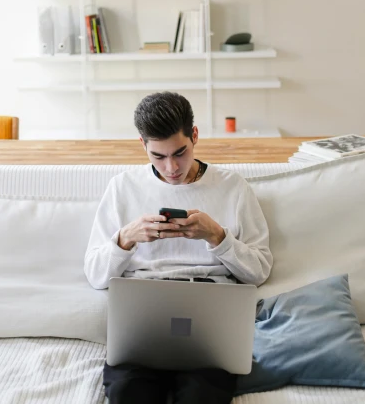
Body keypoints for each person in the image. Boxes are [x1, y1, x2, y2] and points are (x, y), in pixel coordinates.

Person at [84, 92, 272, 404]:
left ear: (194, 136)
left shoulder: (233, 187)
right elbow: (95, 275)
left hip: (210, 321)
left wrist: (217, 237)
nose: (171, 167)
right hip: (143, 317)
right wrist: (125, 239)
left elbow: (260, 272)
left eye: (180, 153)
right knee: (128, 393)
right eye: (158, 156)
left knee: (202, 396)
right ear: (142, 145)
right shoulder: (122, 187)